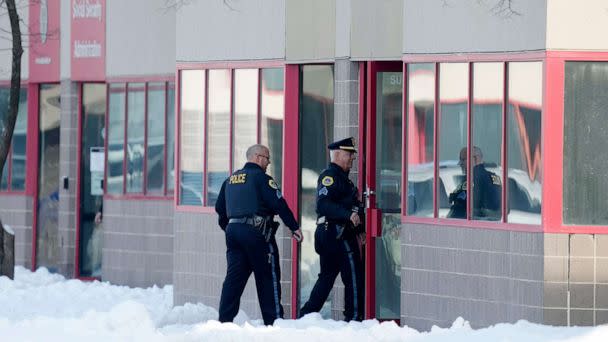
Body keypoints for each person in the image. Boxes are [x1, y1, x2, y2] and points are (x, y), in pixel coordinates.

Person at [215, 144, 303, 326]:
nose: (269, 162)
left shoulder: (230, 179)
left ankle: (224, 322)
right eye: (267, 158)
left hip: (234, 235)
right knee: (267, 278)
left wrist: (232, 228)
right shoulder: (261, 178)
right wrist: (294, 227)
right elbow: (279, 204)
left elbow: (219, 209)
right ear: (257, 157)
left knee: (233, 279)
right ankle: (274, 323)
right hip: (258, 234)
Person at [299, 137, 365, 322]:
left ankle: (306, 316)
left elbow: (354, 207)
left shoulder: (345, 181)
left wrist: (360, 229)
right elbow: (323, 205)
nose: (352, 158)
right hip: (337, 233)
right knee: (353, 276)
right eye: (348, 154)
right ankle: (354, 319)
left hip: (334, 233)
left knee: (326, 278)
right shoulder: (330, 176)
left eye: (353, 155)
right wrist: (347, 215)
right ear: (336, 154)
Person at [447, 146, 501, 220]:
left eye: (463, 160)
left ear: (475, 159)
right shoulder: (494, 178)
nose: (460, 163)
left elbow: (459, 208)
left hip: (472, 226)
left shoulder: (473, 179)